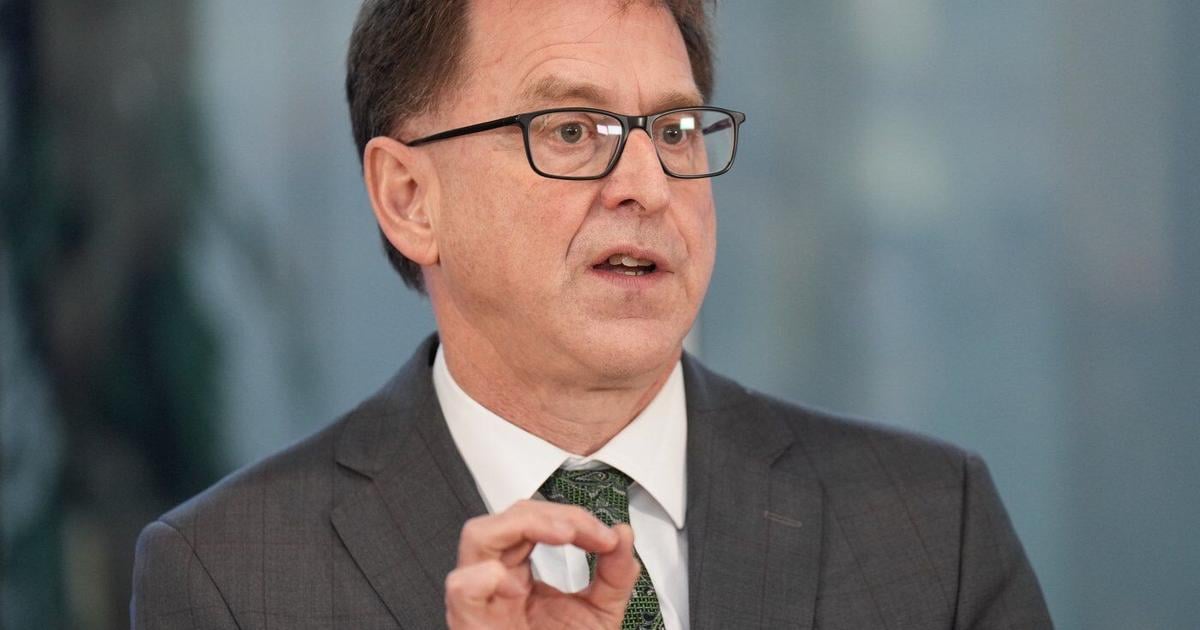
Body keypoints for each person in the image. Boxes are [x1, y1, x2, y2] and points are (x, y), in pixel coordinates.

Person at [131, 0, 1053, 628]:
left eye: (677, 130)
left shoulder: (929, 529)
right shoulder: (231, 577)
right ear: (410, 198)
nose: (648, 185)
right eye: (572, 132)